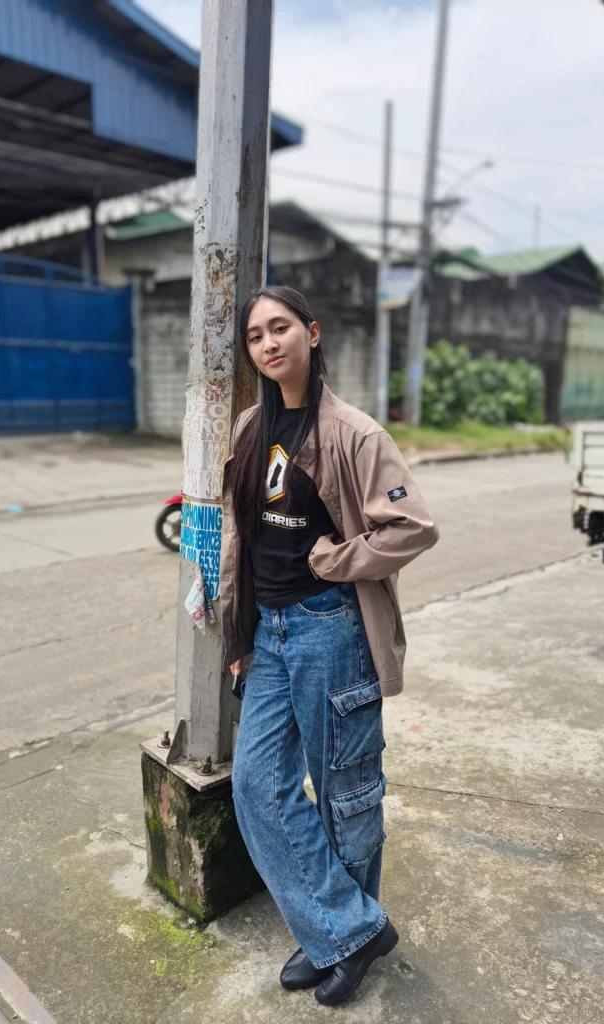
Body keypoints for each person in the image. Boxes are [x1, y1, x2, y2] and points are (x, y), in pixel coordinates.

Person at [220, 285, 439, 1006]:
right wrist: (237, 628)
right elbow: (239, 536)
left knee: (345, 795)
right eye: (255, 336)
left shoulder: (353, 432)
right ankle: (348, 929)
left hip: (328, 628)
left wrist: (333, 561)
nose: (268, 343)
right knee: (256, 786)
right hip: (271, 634)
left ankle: (340, 939)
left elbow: (412, 528)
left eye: (280, 328)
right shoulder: (252, 427)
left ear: (311, 334)